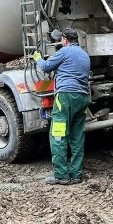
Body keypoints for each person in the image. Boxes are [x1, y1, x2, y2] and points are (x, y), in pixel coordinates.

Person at [33, 28, 91, 185]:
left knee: (58, 135)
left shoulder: (64, 52)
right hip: (83, 97)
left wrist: (38, 58)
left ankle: (61, 175)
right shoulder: (85, 55)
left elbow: (45, 67)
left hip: (65, 98)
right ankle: (76, 174)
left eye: (62, 39)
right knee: (77, 137)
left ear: (65, 40)